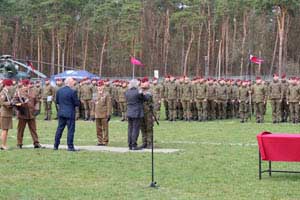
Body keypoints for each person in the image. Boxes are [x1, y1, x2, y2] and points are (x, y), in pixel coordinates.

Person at [54, 77, 80, 151]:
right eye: (72, 82)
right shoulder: (73, 91)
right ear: (69, 83)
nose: (73, 83)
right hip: (70, 113)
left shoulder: (59, 91)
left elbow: (57, 101)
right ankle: (70, 146)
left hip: (61, 112)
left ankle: (56, 145)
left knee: (59, 129)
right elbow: (76, 103)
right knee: (70, 130)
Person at [15, 79, 42, 149]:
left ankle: (36, 143)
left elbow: (36, 101)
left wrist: (36, 109)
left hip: (31, 114)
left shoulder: (33, 91)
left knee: (33, 129)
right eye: (25, 85)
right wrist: (19, 106)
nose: (26, 86)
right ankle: (19, 143)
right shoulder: (18, 92)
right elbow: (15, 101)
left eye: (27, 85)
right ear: (23, 85)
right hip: (22, 114)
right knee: (20, 130)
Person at [125, 79, 150, 150]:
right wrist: (147, 94)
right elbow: (145, 98)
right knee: (135, 129)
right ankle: (134, 145)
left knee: (130, 129)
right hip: (137, 113)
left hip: (129, 112)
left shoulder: (127, 92)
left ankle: (130, 144)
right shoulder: (138, 92)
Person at [95, 80, 112, 146]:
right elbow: (93, 104)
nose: (99, 87)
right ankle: (100, 141)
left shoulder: (106, 94)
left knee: (105, 128)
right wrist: (92, 113)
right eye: (98, 86)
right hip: (97, 114)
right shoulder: (95, 94)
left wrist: (108, 113)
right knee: (98, 129)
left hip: (104, 114)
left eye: (101, 86)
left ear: (103, 86)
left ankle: (105, 141)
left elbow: (109, 105)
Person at [0, 79, 14, 150]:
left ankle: (4, 144)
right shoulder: (3, 92)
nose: (11, 86)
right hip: (5, 113)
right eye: (10, 85)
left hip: (8, 113)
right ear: (7, 85)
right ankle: (3, 145)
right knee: (4, 130)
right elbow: (2, 102)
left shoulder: (7, 92)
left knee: (6, 130)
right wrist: (10, 103)